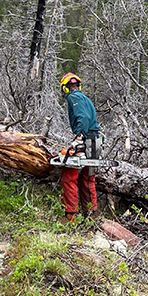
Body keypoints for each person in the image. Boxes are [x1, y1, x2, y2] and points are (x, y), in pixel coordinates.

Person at [59, 73, 101, 221]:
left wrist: (79, 136)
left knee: (69, 176)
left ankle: (71, 215)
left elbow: (82, 117)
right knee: (88, 179)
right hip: (95, 140)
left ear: (65, 88)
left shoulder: (73, 97)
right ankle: (91, 215)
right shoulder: (86, 98)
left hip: (85, 139)